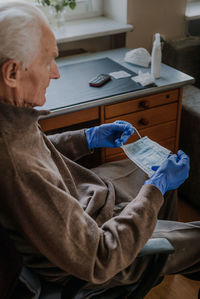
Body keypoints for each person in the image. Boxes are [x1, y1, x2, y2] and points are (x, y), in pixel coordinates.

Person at [0, 1, 199, 296]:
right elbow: (100, 257)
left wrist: (89, 136)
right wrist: (155, 189)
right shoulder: (17, 166)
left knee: (157, 163)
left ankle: (162, 244)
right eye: (47, 62)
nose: (55, 73)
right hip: (101, 253)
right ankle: (159, 251)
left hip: (80, 206)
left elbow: (39, 151)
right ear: (12, 73)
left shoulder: (11, 119)